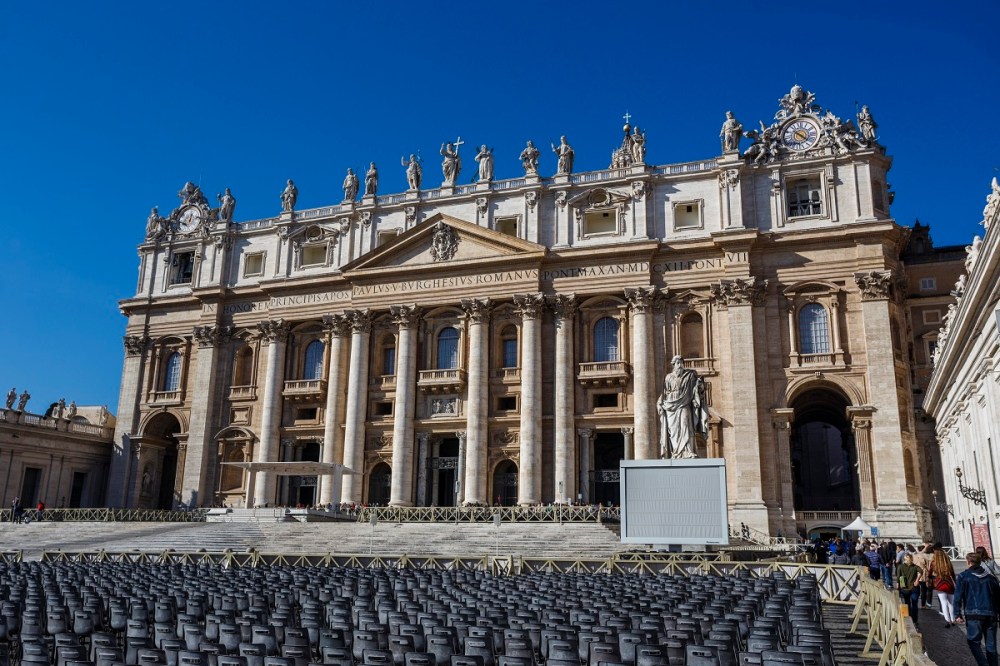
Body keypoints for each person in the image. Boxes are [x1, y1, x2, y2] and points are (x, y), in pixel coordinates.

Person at [656, 355, 708, 458]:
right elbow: (665, 392)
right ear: (673, 365)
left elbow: (697, 389)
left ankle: (687, 451)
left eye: (681, 362)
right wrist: (660, 402)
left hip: (684, 404)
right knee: (673, 430)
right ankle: (676, 452)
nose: (680, 365)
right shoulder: (668, 377)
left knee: (686, 425)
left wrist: (700, 385)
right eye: (677, 363)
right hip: (671, 406)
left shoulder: (690, 375)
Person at [955, 551, 1000, 666]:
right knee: (991, 646)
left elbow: (958, 597)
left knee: (973, 642)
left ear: (969, 562)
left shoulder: (964, 576)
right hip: (991, 615)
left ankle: (983, 664)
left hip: (973, 614)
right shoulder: (991, 578)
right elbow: (998, 598)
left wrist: (957, 614)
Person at [930, 548, 958, 627]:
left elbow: (930, 573)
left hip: (940, 584)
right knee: (951, 603)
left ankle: (947, 621)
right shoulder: (948, 562)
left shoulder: (934, 563)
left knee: (943, 603)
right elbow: (953, 574)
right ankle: (953, 619)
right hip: (949, 584)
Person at [897, 552, 923, 625]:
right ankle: (915, 620)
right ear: (911, 559)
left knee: (907, 603)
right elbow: (921, 571)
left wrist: (898, 587)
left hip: (905, 588)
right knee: (914, 604)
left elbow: (898, 578)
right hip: (914, 587)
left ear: (904, 559)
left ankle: (909, 618)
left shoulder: (900, 566)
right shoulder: (915, 566)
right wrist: (917, 580)